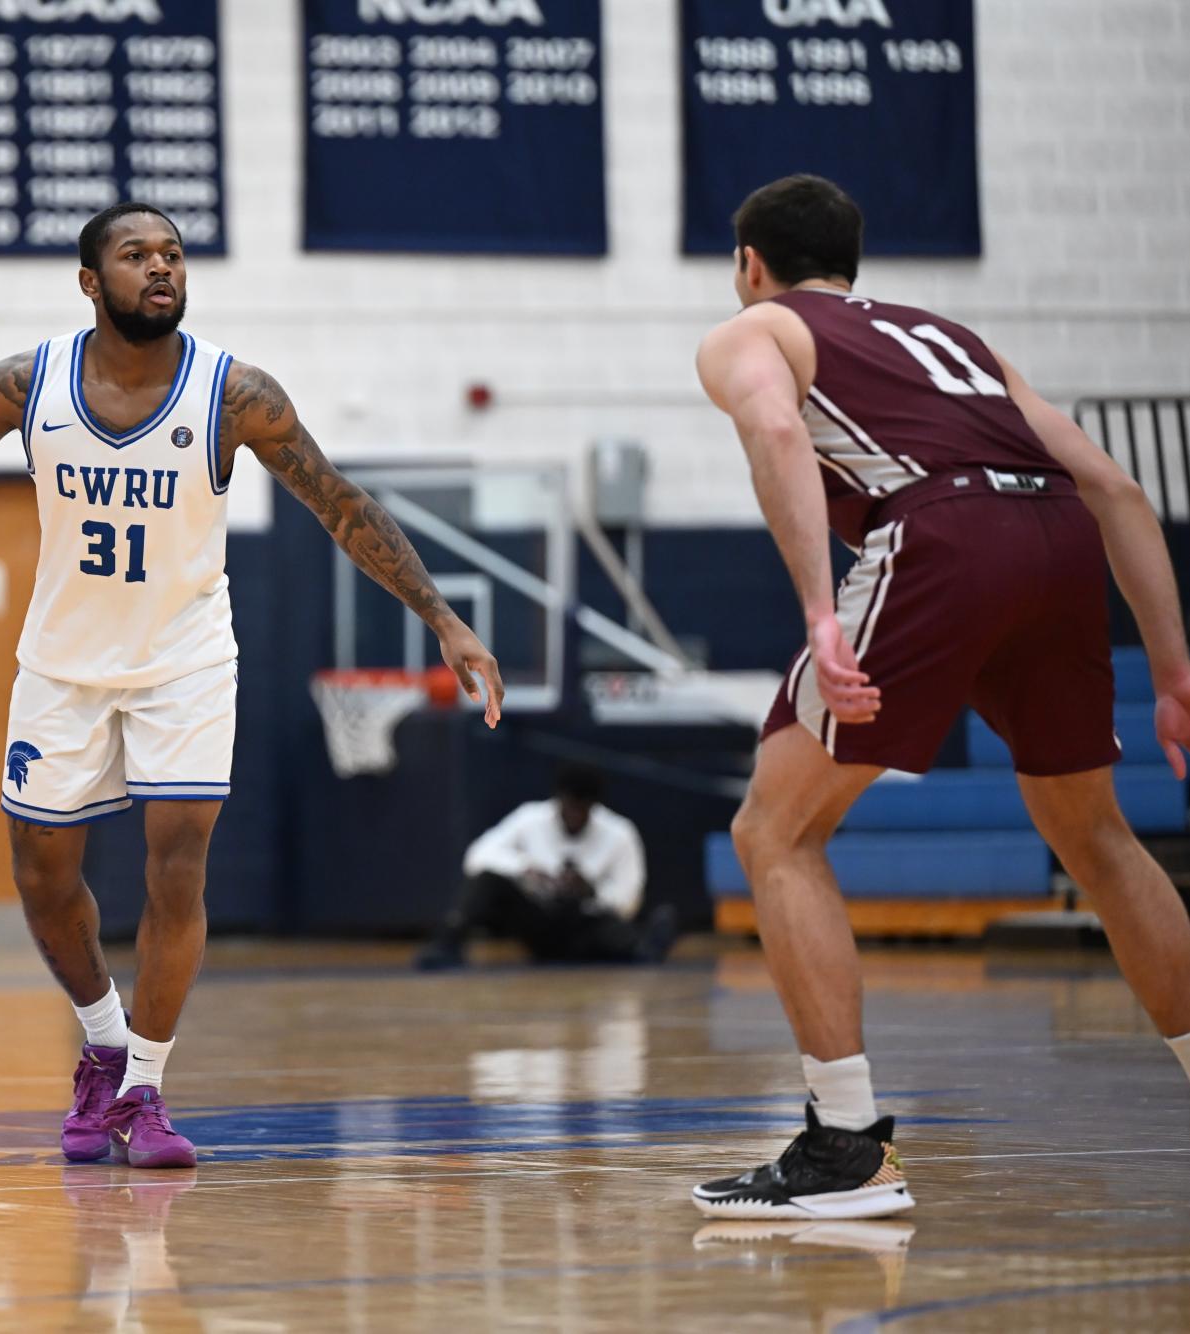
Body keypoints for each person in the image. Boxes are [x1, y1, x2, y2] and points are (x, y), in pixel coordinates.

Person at [0, 203, 503, 1168]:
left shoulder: (236, 395)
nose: (160, 268)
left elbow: (343, 508)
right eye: (135, 255)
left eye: (172, 254)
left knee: (177, 858)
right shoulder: (29, 383)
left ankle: (145, 1085)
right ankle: (101, 1041)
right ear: (91, 283)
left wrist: (441, 616)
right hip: (63, 665)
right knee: (44, 876)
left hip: (184, 660)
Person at [690, 174, 1190, 1219]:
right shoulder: (953, 337)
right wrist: (1175, 670)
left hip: (941, 534)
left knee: (773, 831)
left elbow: (779, 437)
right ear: (852, 258)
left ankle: (845, 1147)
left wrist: (824, 616)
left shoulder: (753, 332)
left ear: (750, 264)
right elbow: (1119, 488)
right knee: (1094, 833)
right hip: (1057, 541)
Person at [415, 765, 670, 969]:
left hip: (585, 924)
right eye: (569, 806)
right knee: (487, 881)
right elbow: (477, 856)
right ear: (558, 799)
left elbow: (629, 899)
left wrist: (591, 891)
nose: (574, 815)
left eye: (582, 809)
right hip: (538, 920)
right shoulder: (530, 818)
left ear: (594, 806)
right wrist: (525, 868)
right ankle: (447, 942)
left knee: (612, 927)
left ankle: (642, 949)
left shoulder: (619, 833)